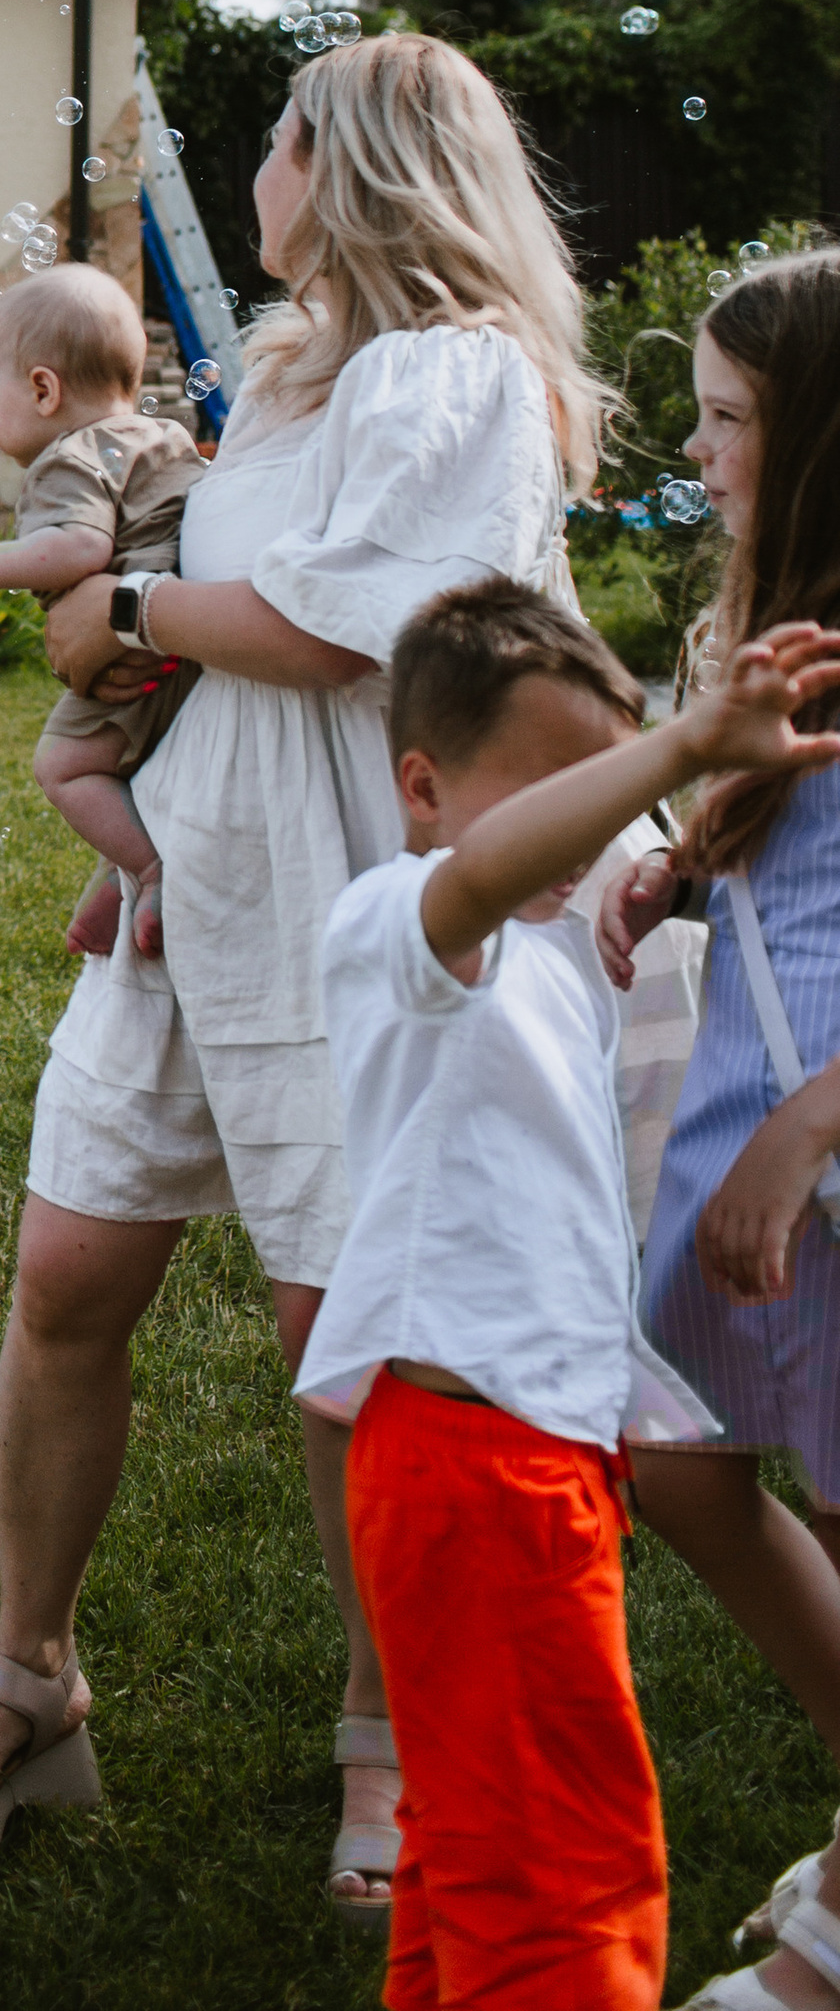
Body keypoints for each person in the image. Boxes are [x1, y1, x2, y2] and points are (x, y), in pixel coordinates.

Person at [0, 32, 604, 1912]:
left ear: (346, 164)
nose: (254, 167)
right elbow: (231, 629)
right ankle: (28, 1685)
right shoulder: (290, 382)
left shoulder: (456, 374)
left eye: (275, 138)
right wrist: (126, 732)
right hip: (204, 874)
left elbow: (344, 623)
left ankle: (386, 1743)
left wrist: (113, 608)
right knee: (66, 1271)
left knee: (339, 1347)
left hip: (351, 890)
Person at [300, 580, 840, 2011]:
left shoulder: (553, 953)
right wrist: (664, 754)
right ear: (421, 786)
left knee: (474, 1864)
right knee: (568, 1886)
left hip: (518, 1458)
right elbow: (475, 882)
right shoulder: (397, 924)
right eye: (563, 786)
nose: (594, 820)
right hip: (478, 1465)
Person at [599, 251, 840, 2011]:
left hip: (819, 1130)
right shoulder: (780, 614)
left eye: (734, 418)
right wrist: (676, 871)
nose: (703, 449)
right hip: (756, 1103)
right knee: (675, 1459)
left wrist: (805, 1133)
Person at [0, 264, 205, 962]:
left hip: (135, 644)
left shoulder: (68, 458)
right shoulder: (162, 436)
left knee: (65, 767)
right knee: (133, 767)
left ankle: (148, 870)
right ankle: (120, 879)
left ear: (43, 389)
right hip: (190, 635)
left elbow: (80, 547)